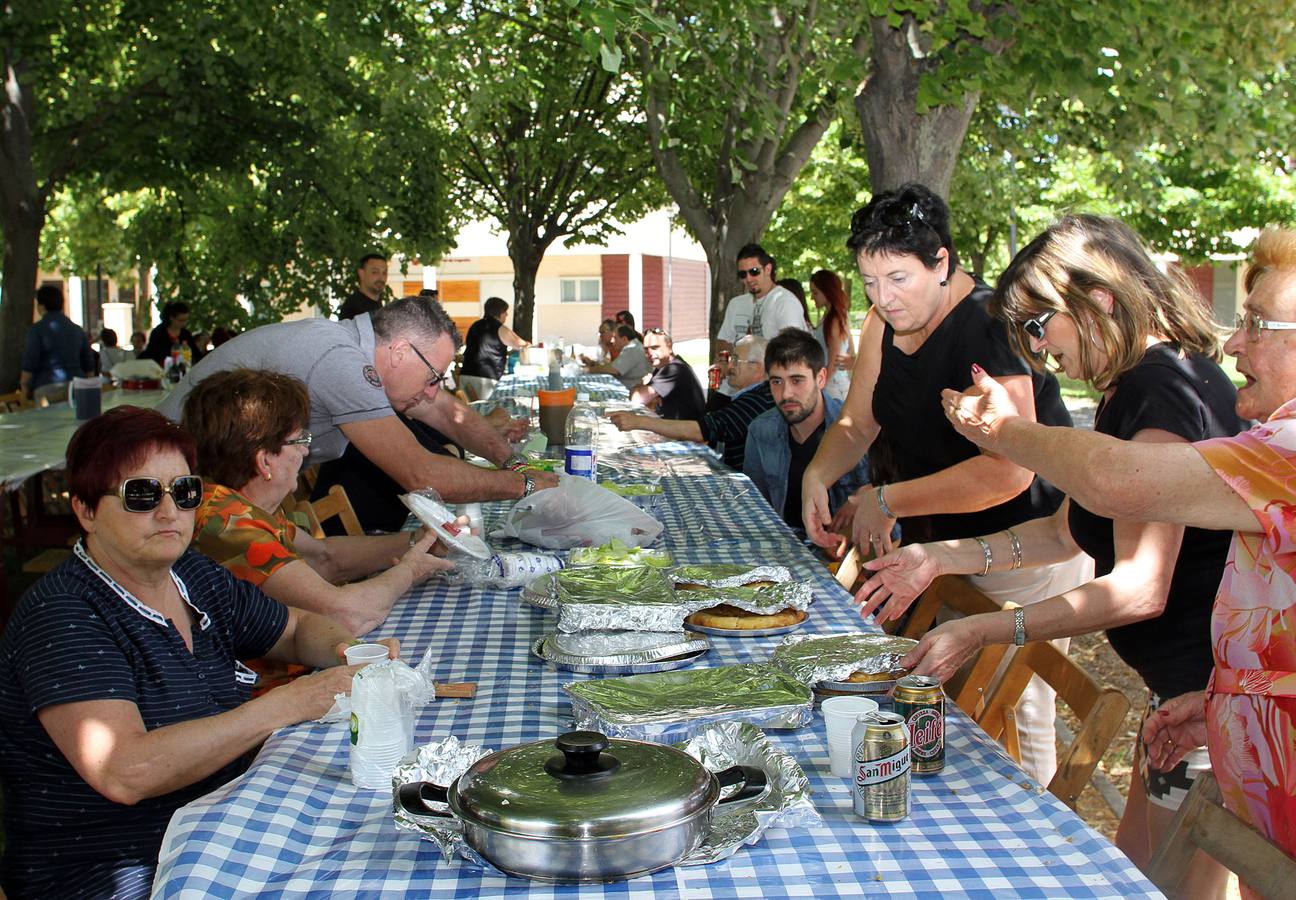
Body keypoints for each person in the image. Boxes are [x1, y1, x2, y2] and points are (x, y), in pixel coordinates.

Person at [859, 215, 1243, 895]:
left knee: (1156, 886)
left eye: (1041, 326)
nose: (1037, 351)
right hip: (1183, 697)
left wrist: (984, 627)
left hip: (1212, 703)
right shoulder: (1132, 389)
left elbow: (1138, 589)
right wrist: (939, 558)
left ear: (1098, 300)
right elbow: (1063, 533)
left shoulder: (1166, 387)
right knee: (1138, 877)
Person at [938, 226, 1296, 897]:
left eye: (1255, 323)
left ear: (1099, 299)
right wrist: (1225, 698)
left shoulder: (1229, 420)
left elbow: (1123, 494)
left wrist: (1005, 433)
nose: (1233, 341)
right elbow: (1078, 520)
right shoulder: (1175, 403)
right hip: (1221, 717)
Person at [0, 407, 380, 899]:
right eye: (140, 495)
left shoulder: (193, 577)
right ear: (86, 510)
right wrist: (290, 704)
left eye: (184, 493)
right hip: (117, 868)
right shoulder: (64, 616)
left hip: (215, 825)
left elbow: (296, 627)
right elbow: (125, 770)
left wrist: (346, 651)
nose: (168, 513)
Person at [801, 183, 1088, 785]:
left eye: (898, 279)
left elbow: (1009, 469)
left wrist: (886, 499)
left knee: (1016, 712)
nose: (883, 298)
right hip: (946, 549)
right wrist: (818, 473)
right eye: (871, 281)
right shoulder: (884, 320)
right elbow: (857, 421)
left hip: (1028, 544)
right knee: (955, 703)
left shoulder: (988, 326)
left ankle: (1034, 846)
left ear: (943, 263)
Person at [157, 295, 557, 504]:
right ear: (400, 351)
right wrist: (520, 484)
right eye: (434, 377)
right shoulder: (341, 359)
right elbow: (421, 476)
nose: (434, 389)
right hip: (167, 487)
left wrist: (512, 461)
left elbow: (445, 412)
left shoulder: (362, 351)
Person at [182, 368, 454, 635]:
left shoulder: (233, 503)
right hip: (269, 678)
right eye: (299, 439)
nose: (305, 450)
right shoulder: (230, 525)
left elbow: (324, 557)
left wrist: (422, 540)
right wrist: (408, 571)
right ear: (265, 461)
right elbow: (347, 615)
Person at [744, 329, 869, 533]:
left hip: (842, 555)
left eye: (797, 380)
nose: (786, 393)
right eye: (777, 382)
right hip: (785, 549)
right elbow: (755, 509)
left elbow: (883, 502)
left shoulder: (856, 426)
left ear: (821, 378)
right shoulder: (761, 431)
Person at [609, 335, 775, 470]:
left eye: (736, 360)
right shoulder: (754, 395)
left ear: (759, 367)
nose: (729, 366)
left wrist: (638, 421)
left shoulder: (756, 400)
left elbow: (701, 430)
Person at [713, 243, 807, 402]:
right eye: (743, 274)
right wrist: (724, 363)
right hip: (730, 391)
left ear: (768, 269)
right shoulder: (736, 304)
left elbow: (793, 351)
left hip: (767, 394)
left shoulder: (785, 302)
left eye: (754, 271)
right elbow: (724, 340)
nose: (748, 278)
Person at [19, 284, 95, 402]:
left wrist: (24, 386)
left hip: (47, 387)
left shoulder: (37, 330)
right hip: (77, 385)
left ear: (41, 306)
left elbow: (30, 361)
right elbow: (89, 364)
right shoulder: (77, 329)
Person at [459, 296, 530, 401]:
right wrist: (527, 344)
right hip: (484, 380)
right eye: (505, 311)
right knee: (486, 410)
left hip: (466, 375)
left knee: (471, 411)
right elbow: (519, 343)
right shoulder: (499, 328)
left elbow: (485, 349)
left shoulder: (475, 325)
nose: (507, 314)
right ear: (500, 312)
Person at [630, 328, 706, 420]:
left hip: (683, 432)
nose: (649, 353)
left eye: (655, 348)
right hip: (675, 428)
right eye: (646, 349)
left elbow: (637, 399)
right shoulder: (663, 367)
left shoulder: (674, 369)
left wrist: (640, 386)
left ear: (669, 346)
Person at [810, 269, 856, 402]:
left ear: (827, 292)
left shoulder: (834, 319)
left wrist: (818, 387)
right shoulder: (837, 316)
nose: (812, 297)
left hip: (833, 387)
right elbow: (850, 352)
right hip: (835, 383)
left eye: (815, 292)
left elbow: (833, 362)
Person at [586, 324, 651, 389]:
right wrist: (595, 365)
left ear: (624, 339)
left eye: (615, 338)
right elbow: (613, 366)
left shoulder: (632, 349)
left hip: (630, 390)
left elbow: (613, 369)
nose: (612, 341)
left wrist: (590, 370)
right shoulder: (635, 346)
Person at [141, 301, 203, 368]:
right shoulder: (158, 333)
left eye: (186, 320)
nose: (184, 323)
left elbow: (196, 353)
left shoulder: (186, 334)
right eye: (181, 320)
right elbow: (152, 353)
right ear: (171, 318)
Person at [337, 252, 389, 321]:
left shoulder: (379, 305)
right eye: (375, 272)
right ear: (361, 274)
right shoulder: (352, 308)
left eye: (384, 273)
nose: (381, 278)